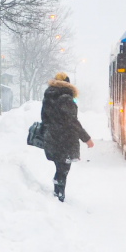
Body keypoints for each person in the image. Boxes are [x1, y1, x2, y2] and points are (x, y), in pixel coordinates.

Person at [41, 72, 94, 202]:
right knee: (63, 168)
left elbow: (44, 118)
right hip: (65, 139)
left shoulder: (48, 97)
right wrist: (86, 138)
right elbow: (72, 122)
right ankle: (59, 196)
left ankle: (58, 193)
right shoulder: (66, 99)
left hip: (52, 137)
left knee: (60, 167)